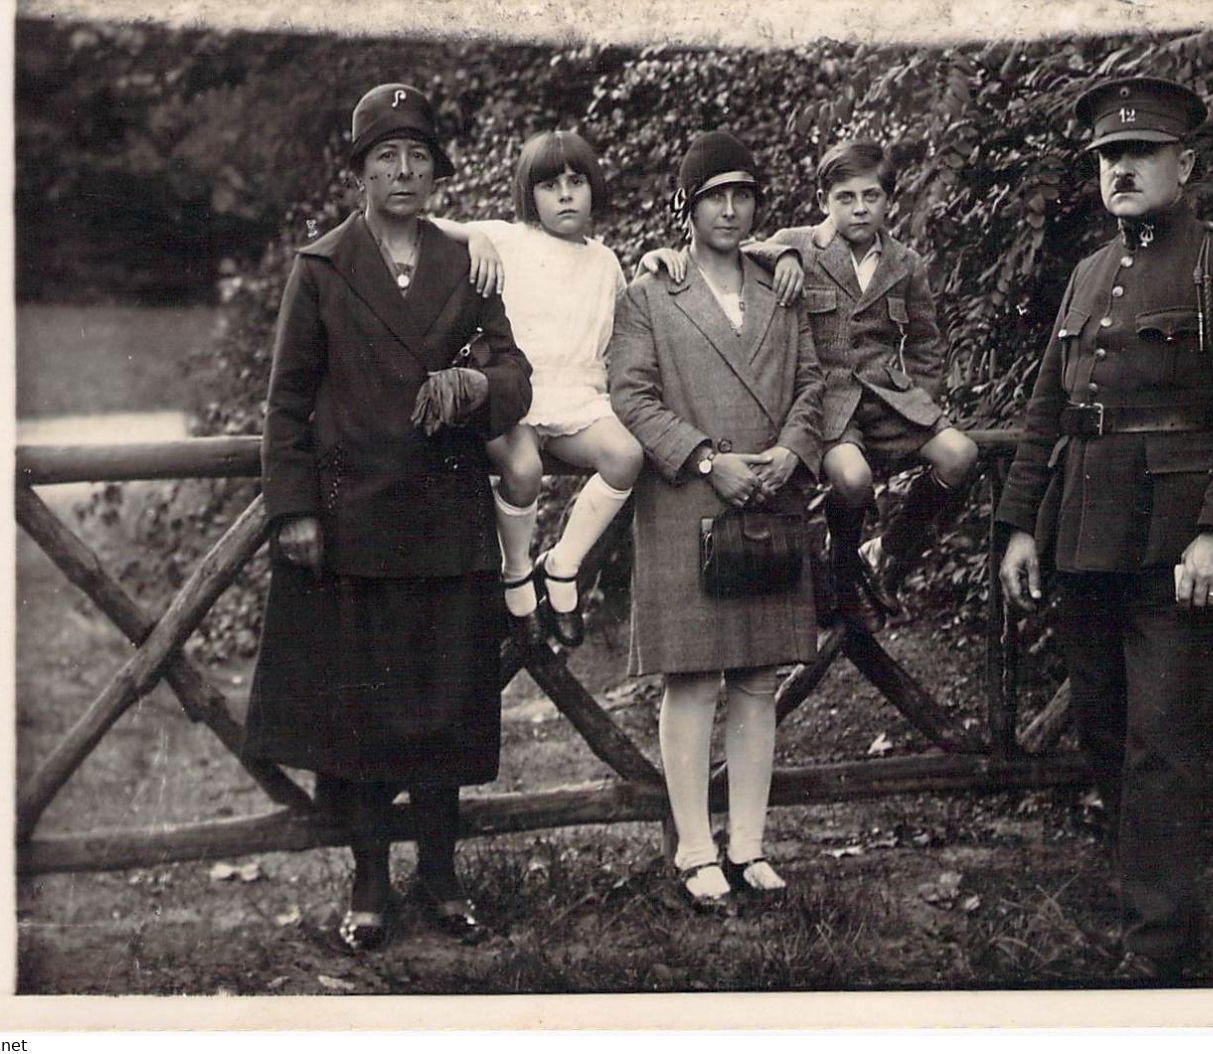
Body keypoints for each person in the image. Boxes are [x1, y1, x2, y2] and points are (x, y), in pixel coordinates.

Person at [995, 77, 1213, 978]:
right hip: (1083, 532)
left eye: (1140, 154)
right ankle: (1162, 909)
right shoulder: (1088, 275)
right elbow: (1046, 409)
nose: (1120, 169)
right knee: (1101, 727)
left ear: (1185, 164)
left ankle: (1156, 948)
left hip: (1174, 543)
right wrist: (1017, 527)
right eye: (1107, 157)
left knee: (1160, 738)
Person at [241, 83, 532, 951]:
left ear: (437, 172)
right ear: (361, 172)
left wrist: (480, 386)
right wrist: (294, 509)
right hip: (355, 523)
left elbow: (516, 375)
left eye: (418, 158)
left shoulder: (467, 262)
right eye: (385, 158)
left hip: (447, 524)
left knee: (445, 705)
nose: (404, 173)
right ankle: (369, 885)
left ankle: (441, 880)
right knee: (361, 714)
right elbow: (285, 403)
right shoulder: (322, 267)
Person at [609, 131, 824, 908]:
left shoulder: (782, 289)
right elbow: (630, 397)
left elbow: (813, 383)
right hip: (686, 500)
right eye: (714, 197)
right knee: (694, 681)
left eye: (743, 195)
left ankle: (751, 845)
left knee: (759, 681)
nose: (730, 210)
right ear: (687, 207)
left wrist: (792, 454)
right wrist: (706, 459)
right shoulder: (647, 296)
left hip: (771, 497)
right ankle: (696, 852)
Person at [429, 130, 644, 650]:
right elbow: (421, 224)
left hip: (576, 397)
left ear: (594, 189)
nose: (566, 195)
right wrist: (472, 238)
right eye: (550, 186)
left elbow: (626, 329)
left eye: (576, 182)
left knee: (626, 455)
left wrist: (659, 263)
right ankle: (517, 570)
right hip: (515, 394)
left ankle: (563, 566)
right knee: (522, 470)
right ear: (531, 196)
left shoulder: (605, 261)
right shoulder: (509, 238)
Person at [759, 141, 978, 629]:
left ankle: (886, 552)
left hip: (889, 398)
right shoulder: (799, 244)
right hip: (825, 402)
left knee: (960, 455)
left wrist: (921, 398)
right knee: (853, 479)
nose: (859, 208)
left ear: (888, 201)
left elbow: (925, 341)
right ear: (823, 201)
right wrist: (782, 258)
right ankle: (840, 569)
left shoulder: (906, 263)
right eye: (845, 197)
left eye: (871, 196)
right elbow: (739, 251)